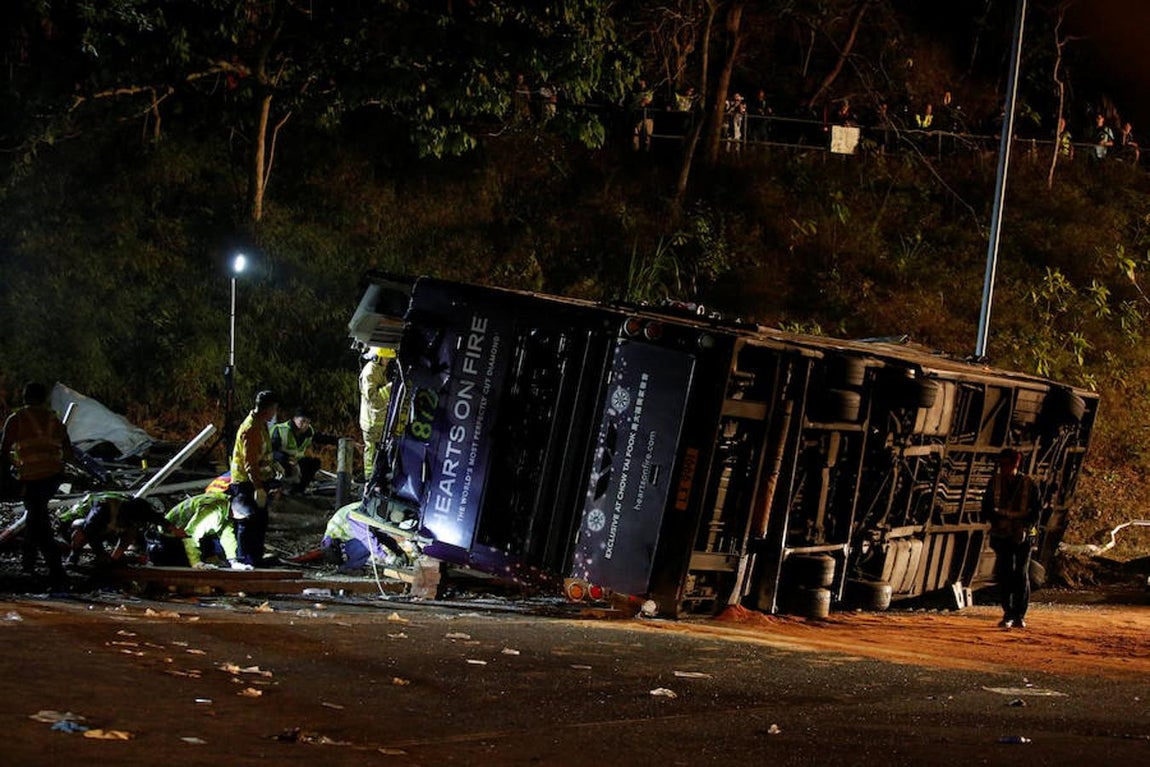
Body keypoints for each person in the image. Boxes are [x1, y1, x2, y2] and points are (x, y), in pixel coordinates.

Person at [0, 382, 72, 589]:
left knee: (39, 519)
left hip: (31, 477)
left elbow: (4, 450)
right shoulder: (54, 420)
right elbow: (68, 452)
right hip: (52, 477)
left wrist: (8, 474)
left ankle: (55, 567)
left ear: (25, 397)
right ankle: (29, 563)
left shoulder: (17, 419)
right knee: (35, 516)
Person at [982, 448, 1042, 629]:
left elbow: (1037, 512)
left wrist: (1027, 530)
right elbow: (985, 506)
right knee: (1005, 573)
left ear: (1015, 465)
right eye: (1001, 465)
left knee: (1021, 573)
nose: (1002, 468)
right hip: (1002, 533)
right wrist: (994, 522)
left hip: (1025, 533)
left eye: (1006, 465)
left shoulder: (1029, 484)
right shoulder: (995, 483)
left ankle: (1019, 615)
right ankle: (1008, 613)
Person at [230, 389, 280, 566]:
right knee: (247, 520)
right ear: (268, 409)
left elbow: (262, 454)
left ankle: (256, 557)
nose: (275, 413)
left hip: (258, 481)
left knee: (260, 521)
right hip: (245, 482)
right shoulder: (251, 429)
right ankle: (244, 558)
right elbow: (249, 463)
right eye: (274, 409)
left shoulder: (262, 424)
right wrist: (258, 487)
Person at [67, 494, 185, 566]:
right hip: (82, 526)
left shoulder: (140, 510)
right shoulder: (103, 508)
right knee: (80, 531)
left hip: (108, 529)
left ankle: (114, 559)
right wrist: (100, 553)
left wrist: (175, 530)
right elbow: (89, 531)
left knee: (130, 532)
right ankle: (74, 555)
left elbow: (158, 519)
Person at [150, 493, 245, 569]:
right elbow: (190, 534)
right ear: (237, 513)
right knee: (180, 566)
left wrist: (233, 560)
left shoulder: (226, 507)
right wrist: (196, 562)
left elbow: (227, 536)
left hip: (181, 532)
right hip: (170, 534)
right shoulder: (211, 513)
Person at [271, 407, 336, 494]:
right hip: (278, 463)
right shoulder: (280, 430)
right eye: (302, 421)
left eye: (308, 422)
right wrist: (287, 459)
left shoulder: (309, 432)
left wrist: (343, 441)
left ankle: (297, 490)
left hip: (296, 464)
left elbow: (324, 438)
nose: (305, 425)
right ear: (294, 419)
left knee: (314, 463)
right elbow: (271, 451)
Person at [359, 348, 394, 484]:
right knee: (371, 452)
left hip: (379, 421)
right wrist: (390, 388)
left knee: (379, 453)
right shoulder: (370, 371)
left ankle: (376, 478)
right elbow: (373, 398)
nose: (388, 360)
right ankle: (369, 479)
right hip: (371, 422)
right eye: (386, 358)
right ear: (378, 357)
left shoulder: (379, 369)